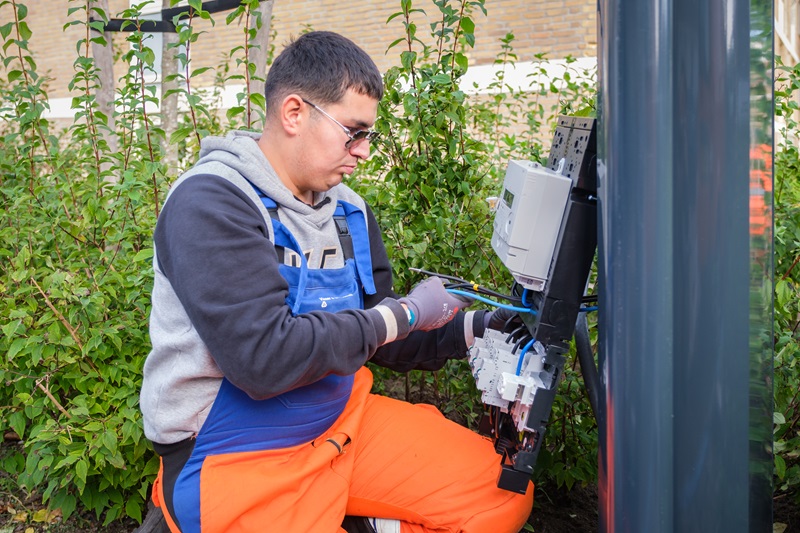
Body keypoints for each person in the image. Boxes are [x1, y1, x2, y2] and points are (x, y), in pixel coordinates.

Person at [140, 30, 534, 533]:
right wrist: (406, 312)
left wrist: (476, 327)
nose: (364, 152)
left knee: (500, 493)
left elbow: (379, 334)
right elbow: (263, 360)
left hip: (342, 422)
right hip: (234, 451)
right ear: (295, 113)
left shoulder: (348, 211)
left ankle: (359, 517)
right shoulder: (210, 204)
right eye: (354, 131)